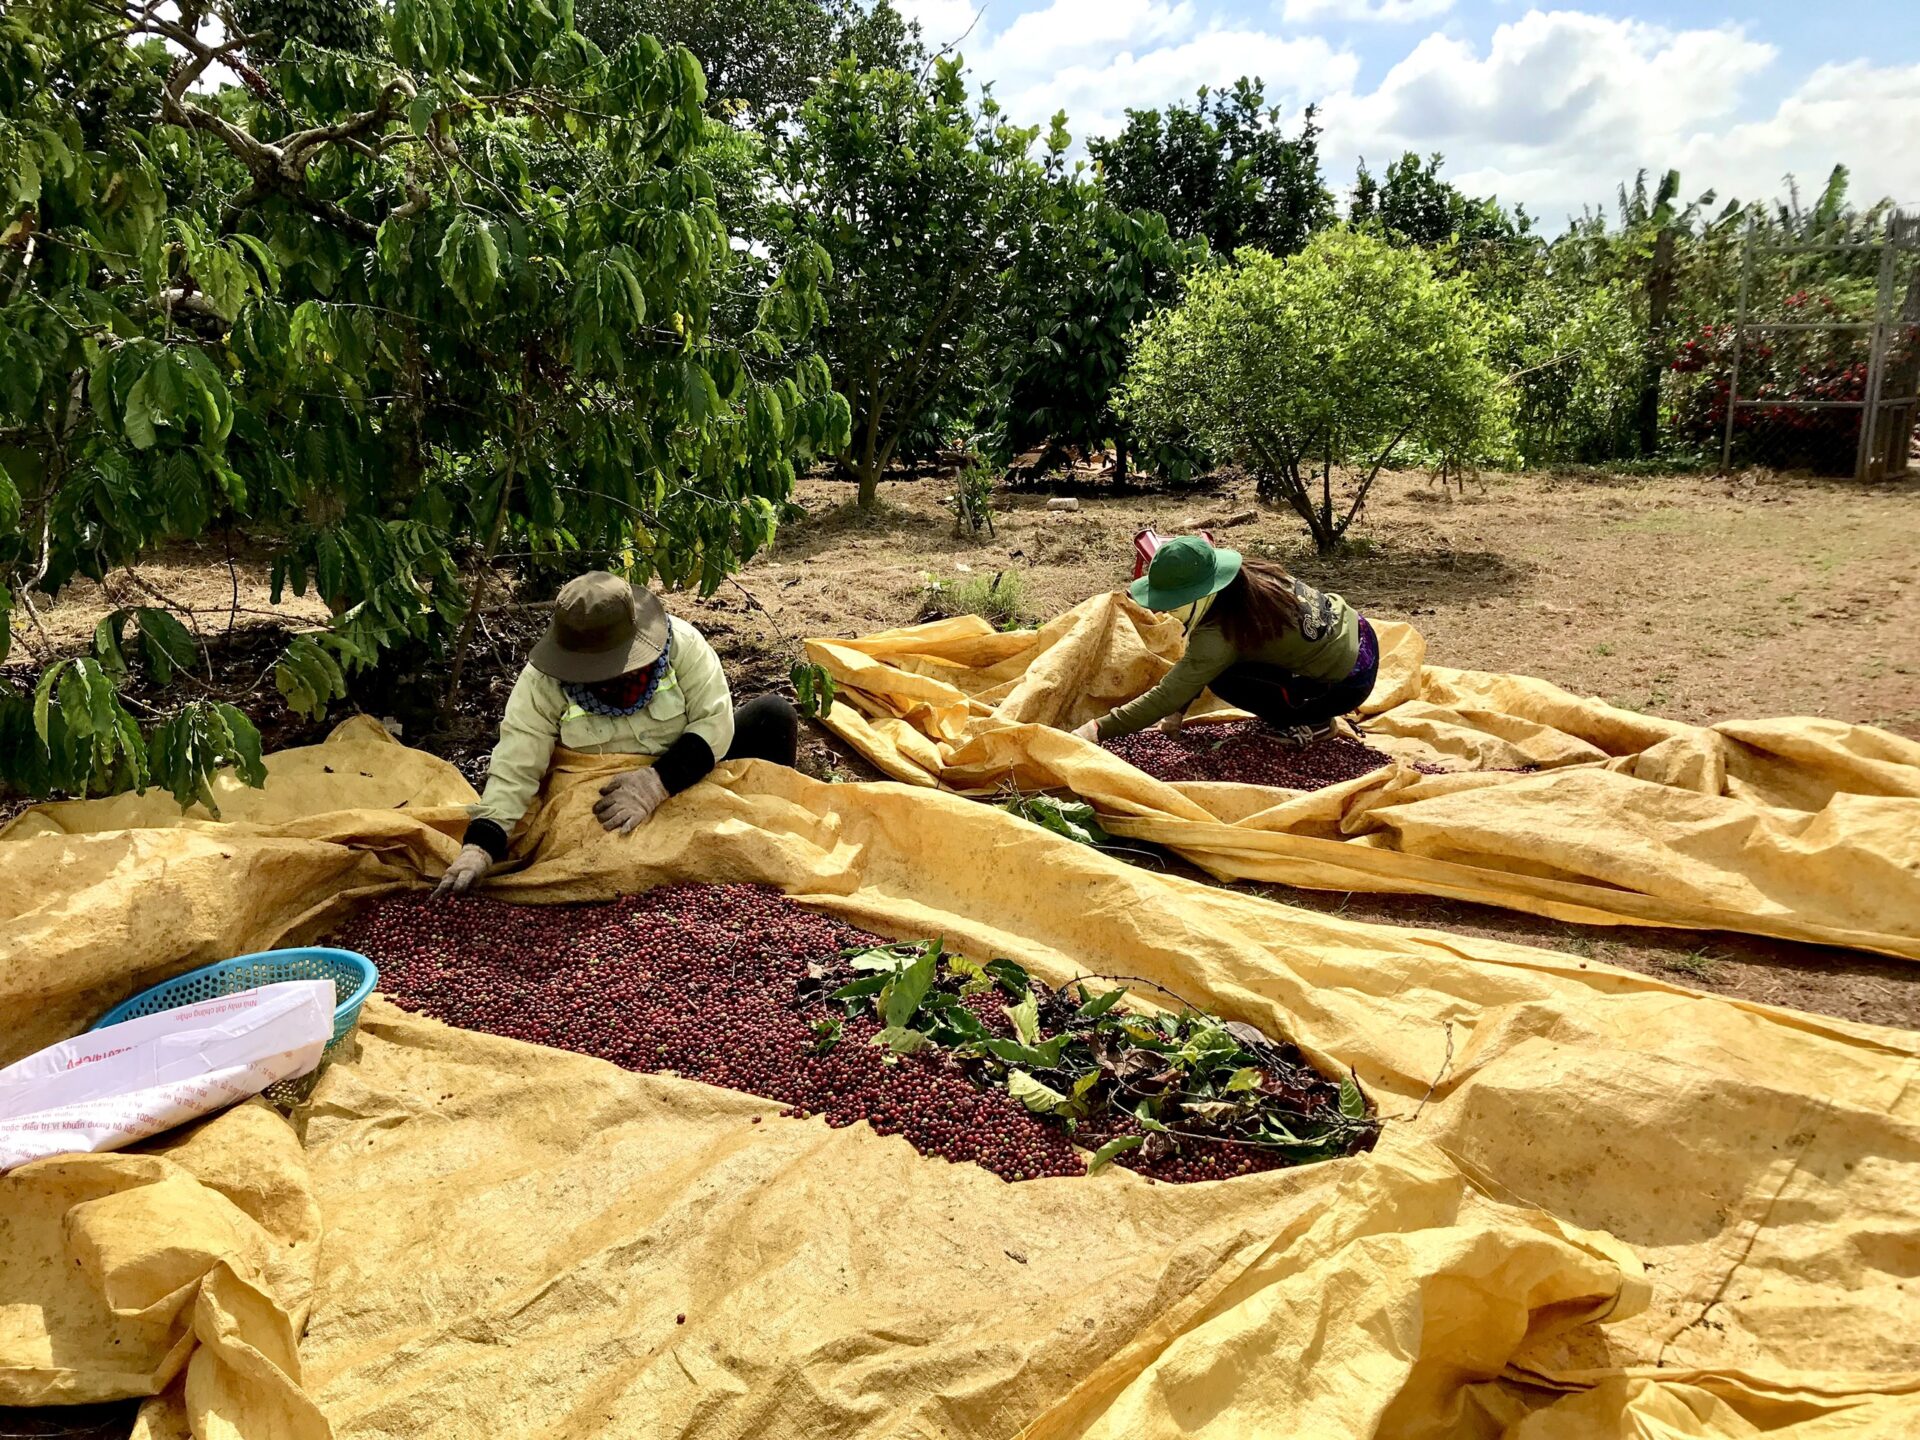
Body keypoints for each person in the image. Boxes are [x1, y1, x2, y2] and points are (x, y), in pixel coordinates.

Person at [436, 571, 798, 896]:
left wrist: (657, 783)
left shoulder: (684, 646)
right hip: (593, 796)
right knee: (613, 860)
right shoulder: (542, 680)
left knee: (773, 716)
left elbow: (714, 724)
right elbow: (517, 763)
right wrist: (480, 846)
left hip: (684, 773)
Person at [1070, 535, 1378, 748]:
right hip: (1357, 631)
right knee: (1219, 669)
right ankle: (1306, 701)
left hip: (1349, 680)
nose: (1163, 611)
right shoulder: (1248, 579)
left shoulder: (1219, 636)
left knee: (1223, 680)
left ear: (1201, 594)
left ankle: (1315, 722)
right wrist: (1176, 714)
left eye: (1171, 603)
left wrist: (1095, 730)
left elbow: (1169, 692)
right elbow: (1190, 673)